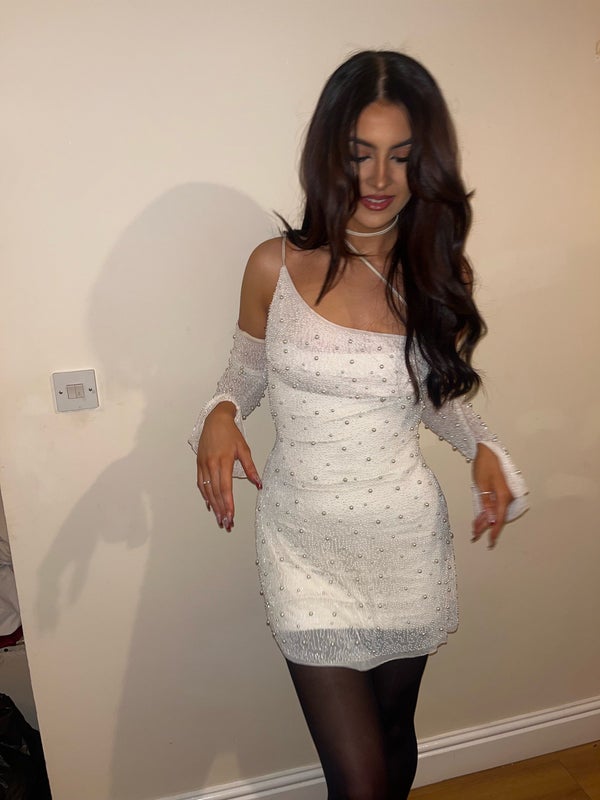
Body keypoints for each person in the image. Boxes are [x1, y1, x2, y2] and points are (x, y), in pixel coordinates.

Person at [189, 50, 528, 800]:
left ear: (424, 164)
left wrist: (482, 447)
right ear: (328, 155)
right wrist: (219, 413)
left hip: (404, 544)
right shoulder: (274, 266)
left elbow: (438, 396)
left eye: (401, 157)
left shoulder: (437, 274)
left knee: (395, 736)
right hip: (303, 550)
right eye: (359, 154)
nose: (380, 178)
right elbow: (243, 373)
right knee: (361, 779)